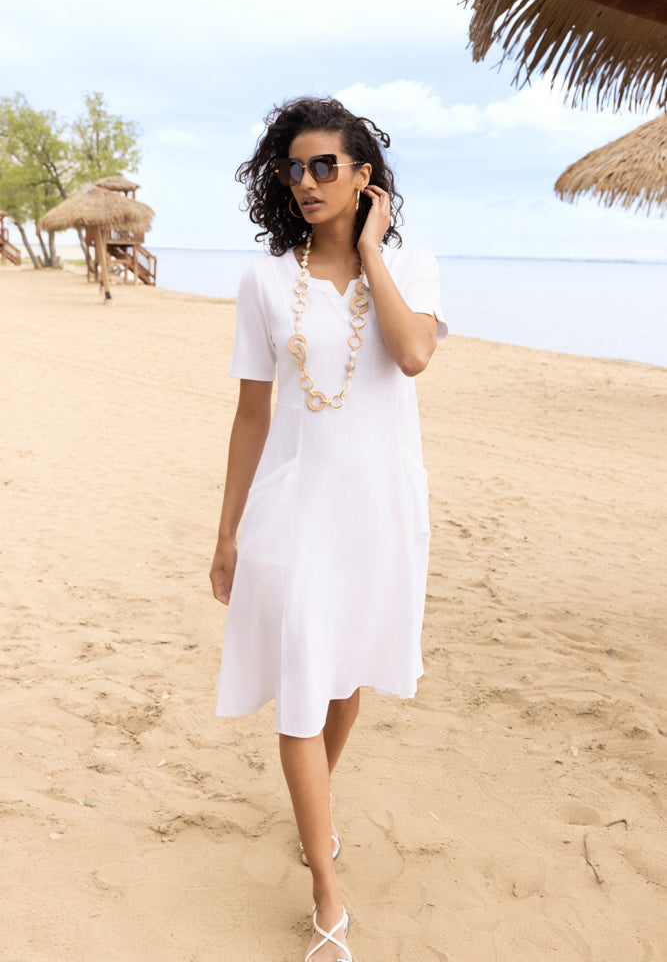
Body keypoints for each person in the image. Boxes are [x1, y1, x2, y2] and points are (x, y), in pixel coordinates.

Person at [209, 96, 447, 962]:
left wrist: (373, 254)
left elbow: (413, 353)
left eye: (324, 167)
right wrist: (227, 532)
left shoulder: (412, 263)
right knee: (305, 679)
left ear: (362, 177)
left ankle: (316, 815)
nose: (306, 182)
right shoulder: (264, 281)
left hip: (383, 508)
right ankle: (325, 888)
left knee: (347, 679)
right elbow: (248, 416)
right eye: (293, 168)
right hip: (296, 509)